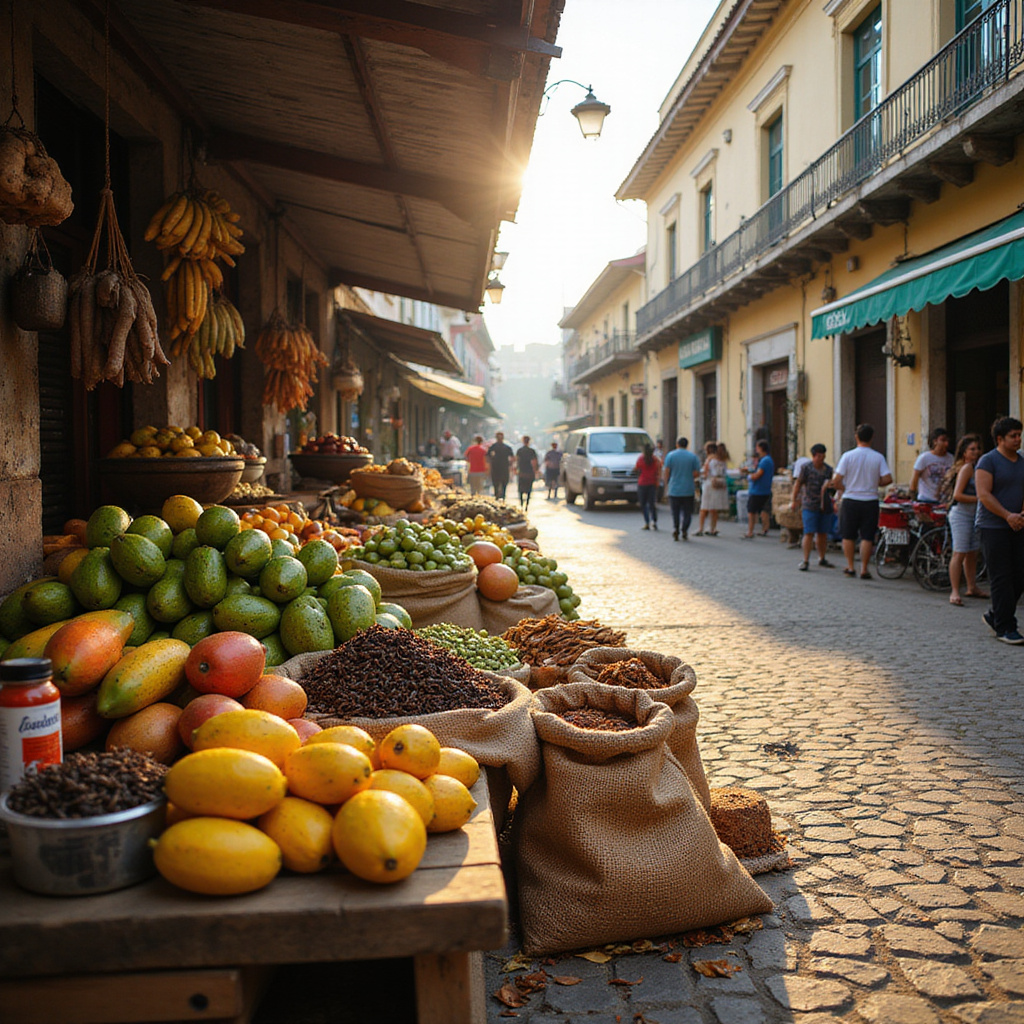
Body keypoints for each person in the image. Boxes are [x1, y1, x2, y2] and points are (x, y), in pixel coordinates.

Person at [975, 415, 1024, 644]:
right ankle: (1006, 627)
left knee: (1019, 575)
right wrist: (1007, 515)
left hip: (1018, 525)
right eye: (1013, 436)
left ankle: (996, 615)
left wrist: (1020, 515)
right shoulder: (988, 461)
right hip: (993, 525)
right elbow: (984, 494)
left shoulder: (1022, 461)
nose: (1018, 440)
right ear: (999, 439)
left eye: (1019, 435)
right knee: (1002, 576)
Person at [830, 423, 893, 579]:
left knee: (848, 535)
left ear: (856, 437)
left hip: (851, 499)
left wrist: (843, 488)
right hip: (870, 500)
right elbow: (888, 479)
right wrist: (874, 483)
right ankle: (864, 568)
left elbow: (836, 479)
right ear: (872, 438)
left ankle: (850, 566)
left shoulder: (848, 456)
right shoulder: (878, 457)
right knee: (867, 536)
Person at [944, 433, 986, 606]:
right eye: (972, 449)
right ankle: (954, 591)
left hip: (974, 514)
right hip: (961, 514)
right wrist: (982, 498)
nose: (976, 452)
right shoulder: (967, 468)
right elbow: (958, 495)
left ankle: (971, 586)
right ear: (964, 452)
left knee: (972, 553)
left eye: (978, 449)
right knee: (959, 552)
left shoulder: (978, 468)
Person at [789, 443, 836, 571]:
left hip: (824, 505)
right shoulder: (806, 468)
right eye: (819, 456)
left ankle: (822, 557)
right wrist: (794, 500)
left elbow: (833, 487)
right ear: (814, 456)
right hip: (809, 504)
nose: (821, 458)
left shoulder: (828, 470)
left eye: (823, 456)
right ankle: (805, 560)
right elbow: (798, 484)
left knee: (822, 533)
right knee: (808, 532)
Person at [662, 437, 701, 541]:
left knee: (675, 512)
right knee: (688, 512)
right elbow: (697, 473)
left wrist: (667, 484)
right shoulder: (693, 457)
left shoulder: (670, 455)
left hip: (674, 489)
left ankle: (676, 528)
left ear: (677, 444)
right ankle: (684, 530)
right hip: (688, 489)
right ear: (687, 445)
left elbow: (667, 471)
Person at [742, 440, 775, 538]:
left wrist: (749, 476)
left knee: (751, 511)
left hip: (758, 490)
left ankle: (750, 531)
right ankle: (765, 529)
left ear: (761, 448)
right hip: (766, 489)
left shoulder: (764, 461)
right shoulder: (769, 460)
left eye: (757, 447)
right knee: (764, 511)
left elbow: (758, 474)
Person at [910, 427, 953, 503]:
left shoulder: (951, 459)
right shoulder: (924, 458)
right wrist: (913, 499)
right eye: (943, 440)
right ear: (935, 441)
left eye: (947, 441)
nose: (946, 444)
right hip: (925, 499)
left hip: (944, 500)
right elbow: (914, 480)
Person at [697, 442, 729, 536]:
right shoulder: (722, 460)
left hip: (710, 484)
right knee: (714, 509)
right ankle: (712, 528)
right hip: (720, 482)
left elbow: (706, 472)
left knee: (704, 508)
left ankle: (700, 528)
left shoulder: (710, 460)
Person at [635, 443, 662, 530]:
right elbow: (659, 470)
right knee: (652, 504)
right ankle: (654, 521)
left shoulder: (641, 458)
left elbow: (636, 468)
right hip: (652, 484)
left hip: (642, 483)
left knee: (643, 504)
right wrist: (658, 481)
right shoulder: (655, 460)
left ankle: (647, 522)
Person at [486, 431, 514, 501]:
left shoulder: (493, 447)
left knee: (497, 485)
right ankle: (501, 498)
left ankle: (498, 498)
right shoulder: (506, 447)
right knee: (502, 485)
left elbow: (487, 457)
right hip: (501, 469)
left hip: (497, 469)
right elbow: (512, 458)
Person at [516, 436, 539, 510]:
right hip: (529, 473)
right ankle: (527, 505)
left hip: (522, 472)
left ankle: (522, 503)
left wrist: (516, 469)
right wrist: (535, 471)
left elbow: (516, 460)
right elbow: (534, 462)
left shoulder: (519, 450)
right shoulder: (532, 451)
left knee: (521, 489)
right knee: (529, 489)